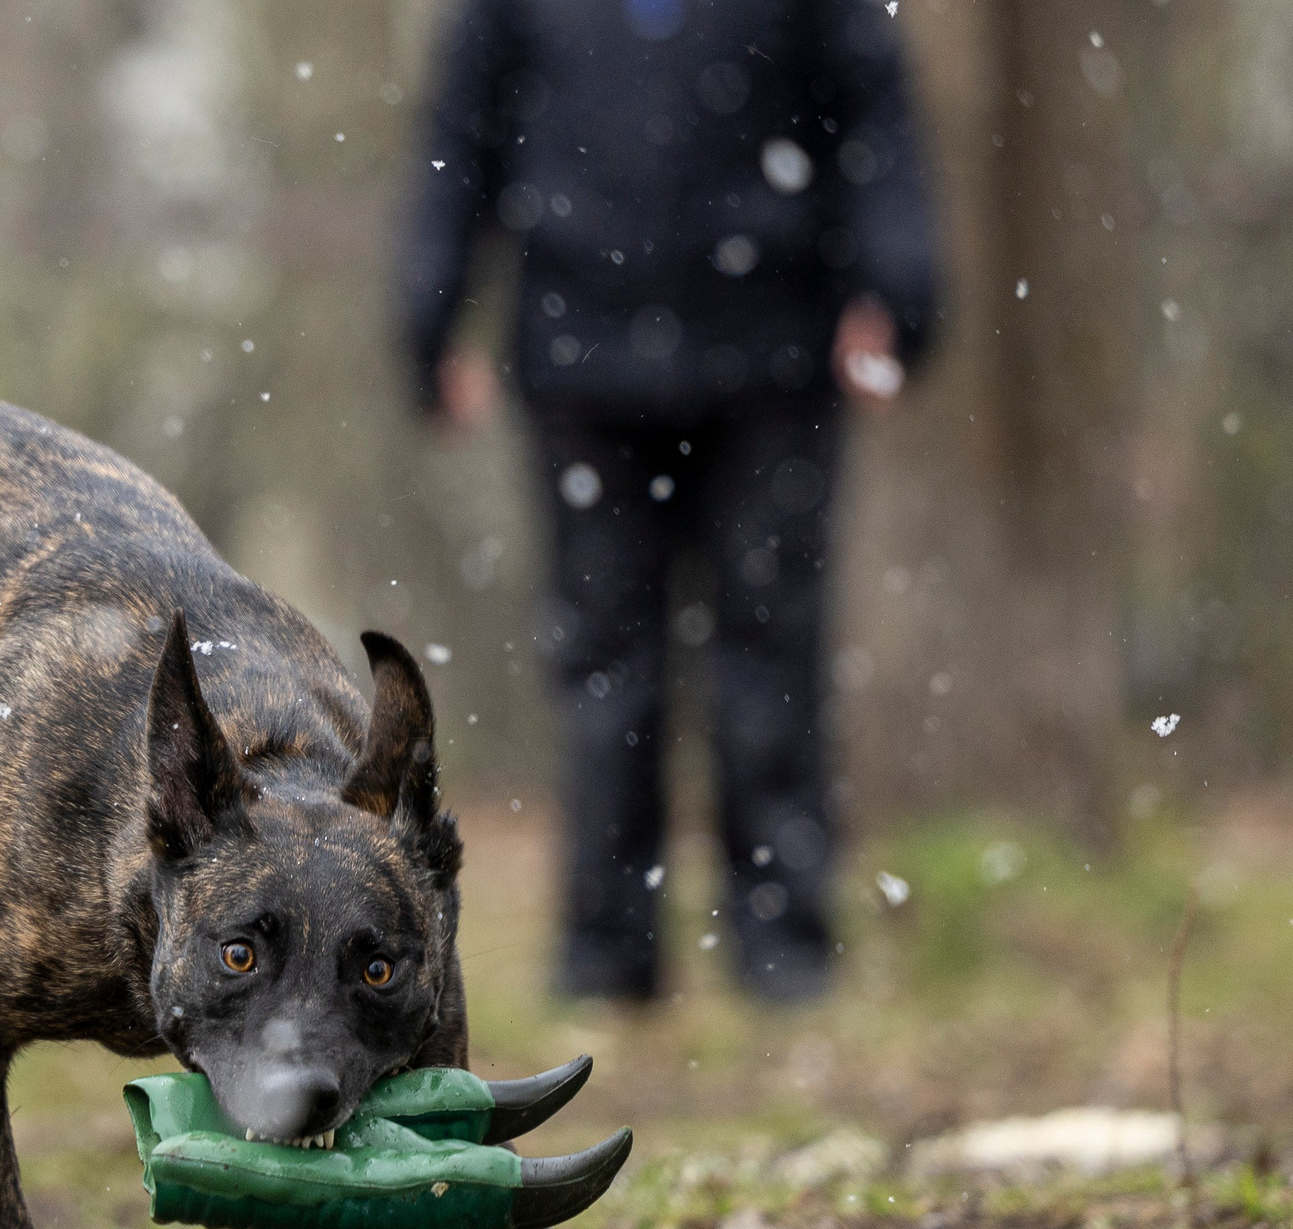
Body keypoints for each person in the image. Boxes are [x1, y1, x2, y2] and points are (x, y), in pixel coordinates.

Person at [399, 0, 941, 1003]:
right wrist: (428, 318)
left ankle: (784, 949)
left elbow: (872, 109)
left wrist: (898, 288)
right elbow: (461, 132)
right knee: (607, 667)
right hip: (582, 357)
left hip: (773, 355)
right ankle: (608, 951)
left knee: (770, 656)